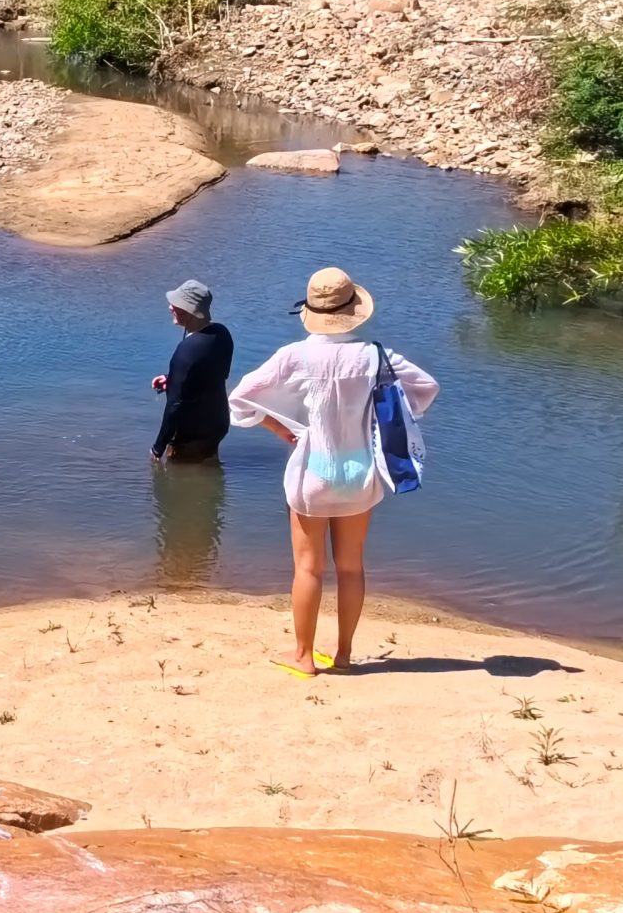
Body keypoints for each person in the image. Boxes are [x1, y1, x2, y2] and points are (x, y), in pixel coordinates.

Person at [228, 267, 437, 676]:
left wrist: (280, 427)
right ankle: (343, 655)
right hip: (360, 475)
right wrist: (385, 420)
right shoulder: (376, 356)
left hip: (313, 474)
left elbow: (240, 399)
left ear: (310, 311)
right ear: (353, 310)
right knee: (351, 567)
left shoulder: (296, 355)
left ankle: (303, 656)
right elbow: (426, 387)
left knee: (308, 568)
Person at [150, 279, 233, 463]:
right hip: (218, 424)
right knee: (210, 469)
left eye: (176, 304)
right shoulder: (222, 334)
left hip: (190, 437)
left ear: (190, 311)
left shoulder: (186, 352)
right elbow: (214, 375)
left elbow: (175, 406)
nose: (170, 307)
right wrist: (171, 379)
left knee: (177, 486)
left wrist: (158, 448)